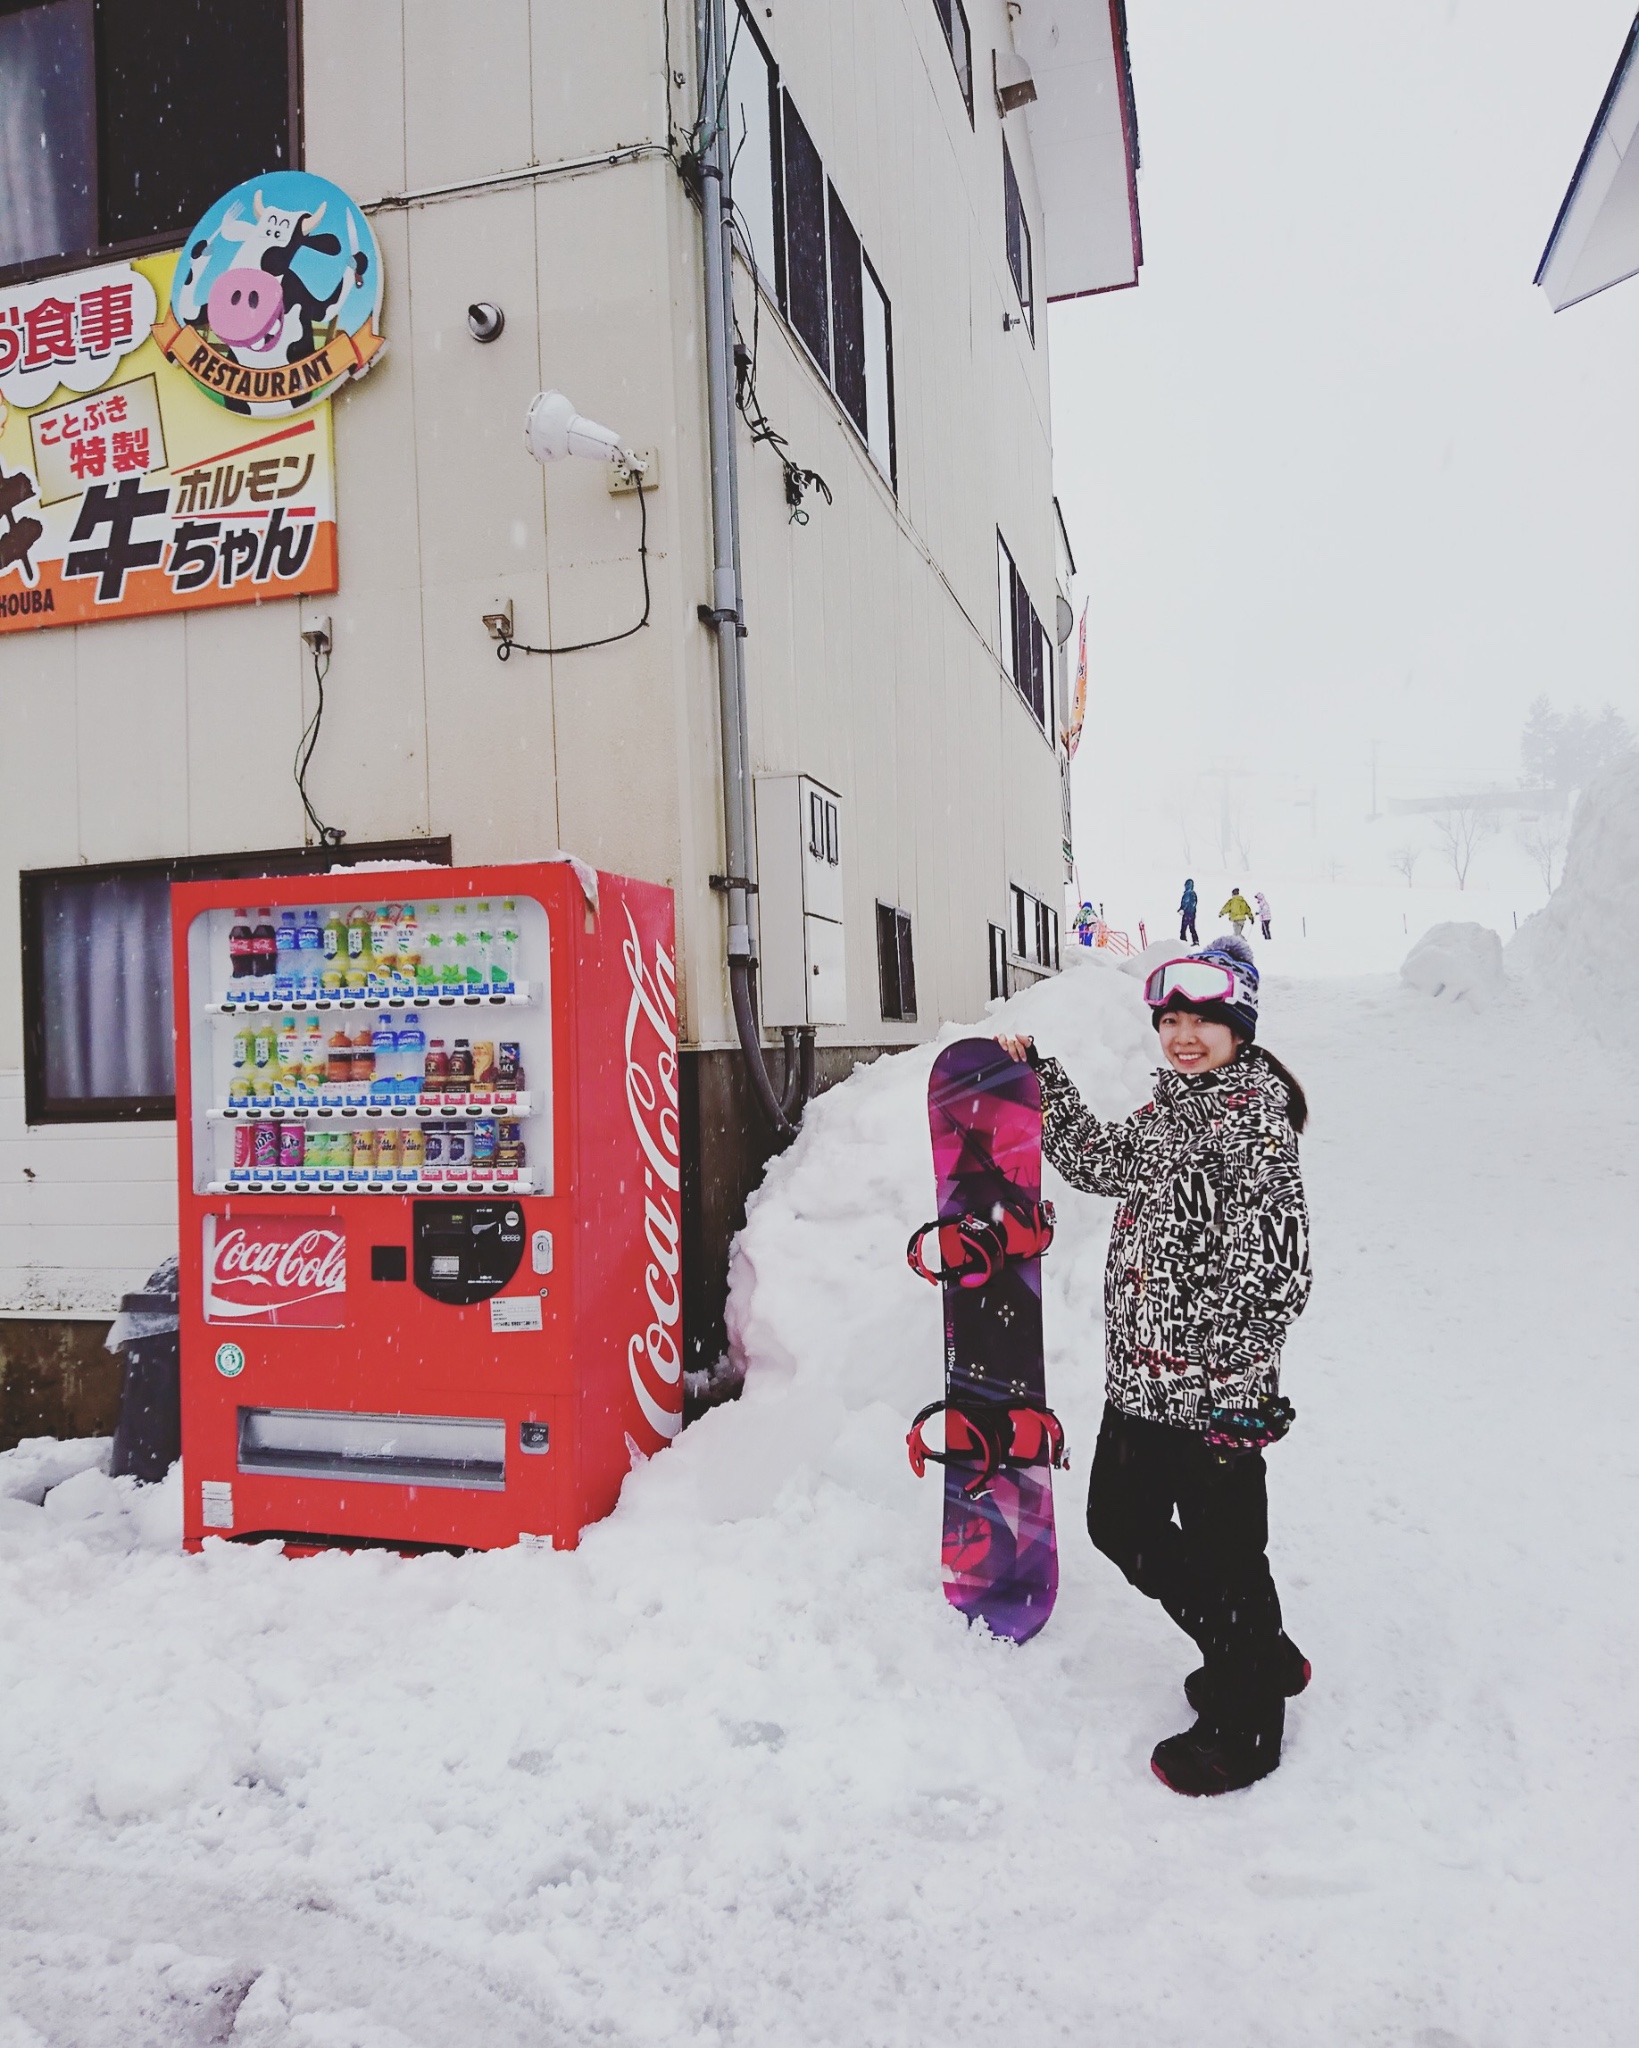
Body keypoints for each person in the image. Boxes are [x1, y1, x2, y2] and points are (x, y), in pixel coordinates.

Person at [995, 936, 1312, 1795]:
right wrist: (1044, 1082)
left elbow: (1280, 1274)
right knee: (1118, 1525)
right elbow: (1099, 1163)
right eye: (1170, 1017)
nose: (1182, 1033)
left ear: (1238, 1026)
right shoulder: (1173, 1107)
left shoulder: (1251, 1119)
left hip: (1211, 1398)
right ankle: (1256, 1651)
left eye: (1203, 1019)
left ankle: (1246, 1724)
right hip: (1139, 1382)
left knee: (1228, 1557)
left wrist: (1222, 1383)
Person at [1178, 878, 1199, 944]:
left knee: (1183, 928)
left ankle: (1182, 941)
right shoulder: (1194, 894)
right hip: (1192, 913)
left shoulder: (1187, 893)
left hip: (1187, 913)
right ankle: (1195, 940)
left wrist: (1182, 909)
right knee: (1192, 927)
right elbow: (1194, 903)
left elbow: (1185, 902)